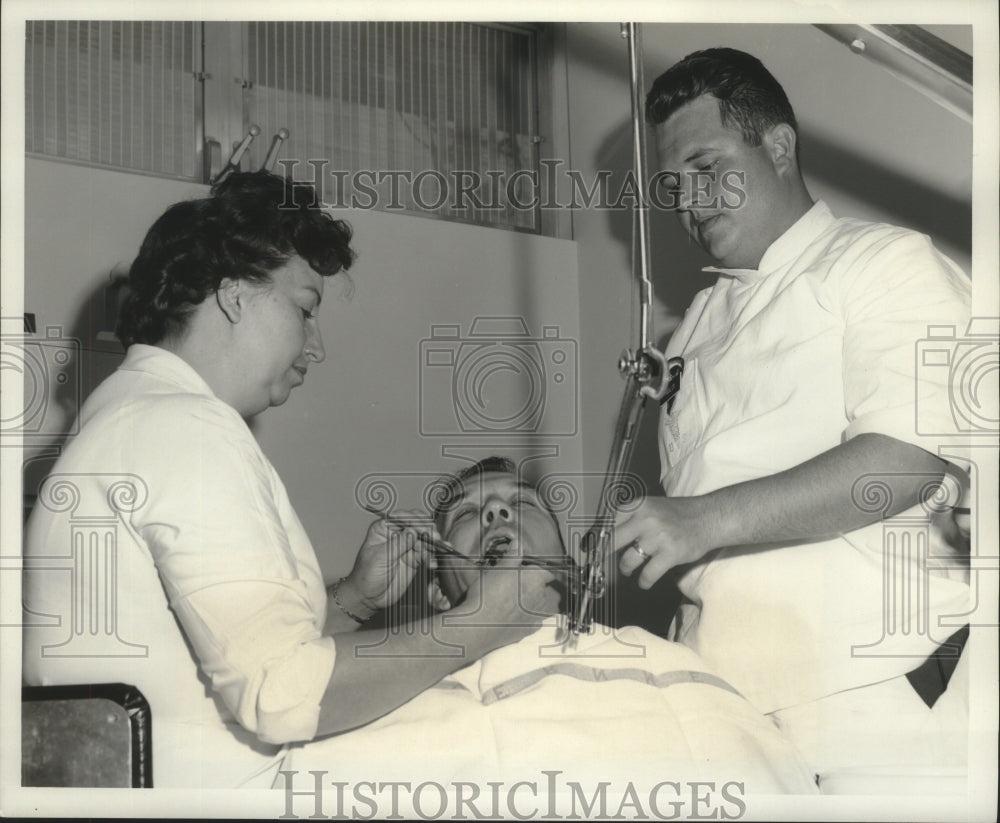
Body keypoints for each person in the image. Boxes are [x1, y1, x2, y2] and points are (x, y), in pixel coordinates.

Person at [21, 172, 559, 789]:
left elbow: (219, 652)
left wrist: (354, 597)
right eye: (305, 310)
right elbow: (281, 694)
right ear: (233, 296)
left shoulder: (128, 422)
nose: (316, 345)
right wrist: (483, 623)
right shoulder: (186, 428)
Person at [610, 48, 971, 781]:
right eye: (674, 183)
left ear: (777, 146)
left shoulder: (883, 263)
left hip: (875, 689)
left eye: (707, 168)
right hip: (727, 706)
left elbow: (908, 460)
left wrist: (702, 519)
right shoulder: (693, 327)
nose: (688, 199)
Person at [279, 457, 820, 802]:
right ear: (440, 589)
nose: (494, 512)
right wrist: (351, 599)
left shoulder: (662, 665)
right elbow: (275, 699)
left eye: (520, 504)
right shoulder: (380, 686)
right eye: (468, 515)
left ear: (573, 566)